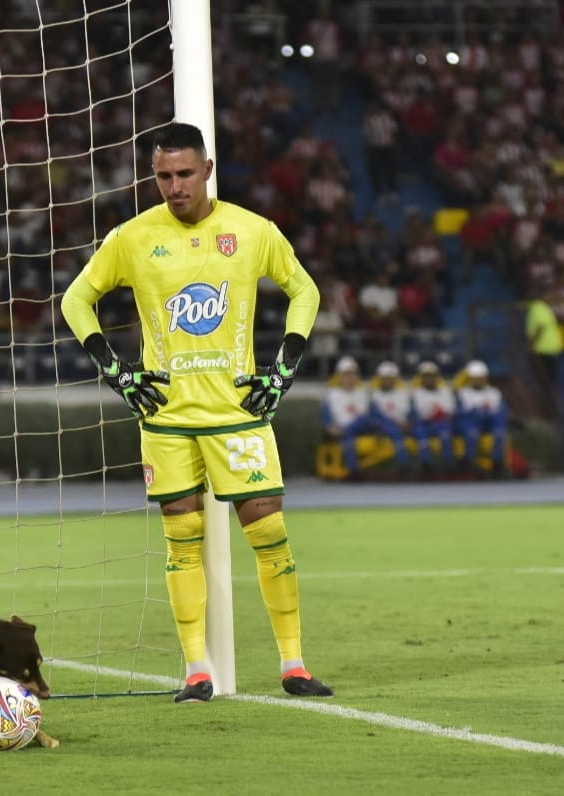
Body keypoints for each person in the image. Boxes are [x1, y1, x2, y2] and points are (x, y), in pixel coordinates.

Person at [59, 122, 332, 703]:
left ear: (208, 169)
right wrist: (115, 369)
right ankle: (198, 671)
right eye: (163, 176)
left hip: (238, 413)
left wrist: (284, 365)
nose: (174, 186)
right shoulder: (132, 238)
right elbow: (75, 299)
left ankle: (294, 664)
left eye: (185, 173)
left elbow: (304, 291)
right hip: (167, 418)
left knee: (271, 533)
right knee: (182, 540)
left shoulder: (252, 231)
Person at [454, 360, 509, 476]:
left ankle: (497, 463)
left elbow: (498, 411)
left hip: (489, 422)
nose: (478, 381)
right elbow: (464, 412)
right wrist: (479, 411)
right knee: (472, 433)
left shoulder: (494, 392)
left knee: (500, 432)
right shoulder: (464, 393)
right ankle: (470, 463)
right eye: (475, 378)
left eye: (480, 378)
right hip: (472, 422)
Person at [366, 360, 415, 477]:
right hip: (382, 426)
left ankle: (425, 467)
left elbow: (411, 413)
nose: (388, 381)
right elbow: (375, 416)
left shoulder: (403, 393)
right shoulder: (374, 395)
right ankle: (405, 467)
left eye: (390, 378)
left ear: (395, 379)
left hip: (402, 425)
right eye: (385, 378)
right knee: (396, 432)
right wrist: (395, 423)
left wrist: (408, 421)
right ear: (380, 379)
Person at [409, 361, 458, 474]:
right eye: (426, 376)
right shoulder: (416, 393)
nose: (429, 379)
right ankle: (426, 467)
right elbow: (420, 413)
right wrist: (434, 413)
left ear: (436, 377)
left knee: (445, 434)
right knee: (422, 437)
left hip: (441, 422)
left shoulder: (445, 391)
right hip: (424, 423)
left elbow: (450, 409)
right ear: (421, 378)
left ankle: (449, 466)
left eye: (431, 376)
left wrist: (440, 414)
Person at [525, 284, 564, 387]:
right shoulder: (541, 307)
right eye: (549, 294)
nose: (552, 296)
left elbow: (541, 326)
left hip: (546, 348)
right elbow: (542, 326)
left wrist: (532, 343)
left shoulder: (540, 307)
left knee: (545, 378)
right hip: (548, 347)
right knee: (548, 378)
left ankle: (547, 399)